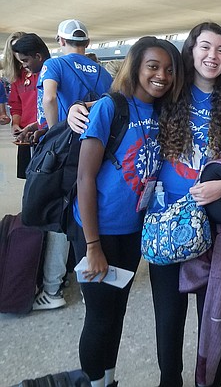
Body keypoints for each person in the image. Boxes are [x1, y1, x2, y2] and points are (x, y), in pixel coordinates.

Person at [152, 22, 221, 386]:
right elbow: (126, 103)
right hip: (166, 221)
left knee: (211, 314)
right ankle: (171, 379)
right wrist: (77, 108)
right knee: (168, 316)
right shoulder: (169, 94)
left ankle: (210, 380)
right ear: (191, 50)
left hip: (214, 225)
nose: (212, 56)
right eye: (205, 47)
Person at [72, 36, 182, 387]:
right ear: (135, 66)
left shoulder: (164, 112)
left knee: (116, 310)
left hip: (133, 231)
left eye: (168, 69)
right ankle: (93, 382)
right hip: (96, 231)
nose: (161, 75)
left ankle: (109, 379)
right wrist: (92, 247)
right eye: (153, 66)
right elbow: (85, 178)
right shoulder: (110, 108)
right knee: (99, 315)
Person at [33, 19, 113, 311]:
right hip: (97, 148)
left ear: (59, 39)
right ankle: (88, 287)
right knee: (87, 212)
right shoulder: (104, 72)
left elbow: (50, 97)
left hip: (67, 148)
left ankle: (53, 289)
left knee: (60, 214)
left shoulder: (54, 65)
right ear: (88, 43)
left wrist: (53, 132)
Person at [9, 33, 51, 177]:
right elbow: (16, 105)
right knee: (31, 178)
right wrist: (16, 124)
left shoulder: (50, 72)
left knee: (46, 178)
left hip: (46, 132)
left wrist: (40, 126)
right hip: (26, 135)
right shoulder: (19, 77)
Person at [2, 32, 28, 126]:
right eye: (16, 50)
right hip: (24, 132)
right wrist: (16, 124)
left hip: (44, 129)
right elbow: (16, 105)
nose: (20, 53)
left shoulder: (44, 71)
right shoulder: (17, 76)